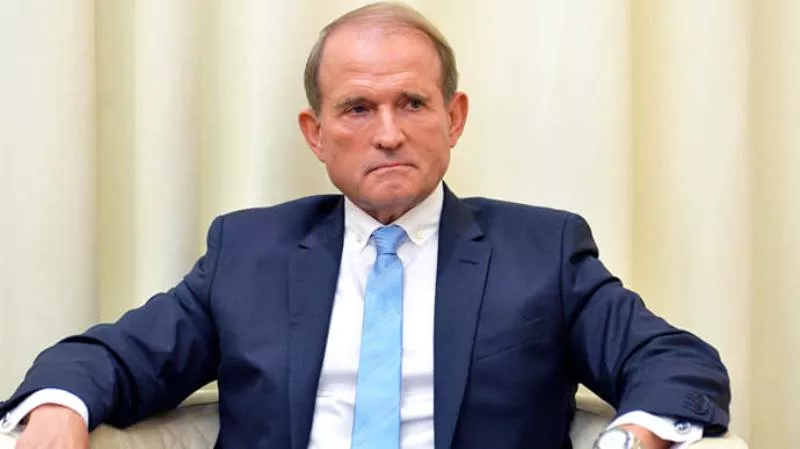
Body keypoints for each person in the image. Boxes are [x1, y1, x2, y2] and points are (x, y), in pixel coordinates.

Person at [0, 3, 729, 449]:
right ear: (315, 134)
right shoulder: (247, 252)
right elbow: (112, 357)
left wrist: (632, 438)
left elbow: (675, 361)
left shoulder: (542, 251)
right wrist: (61, 408)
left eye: (412, 103)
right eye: (357, 108)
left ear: (454, 118)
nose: (387, 133)